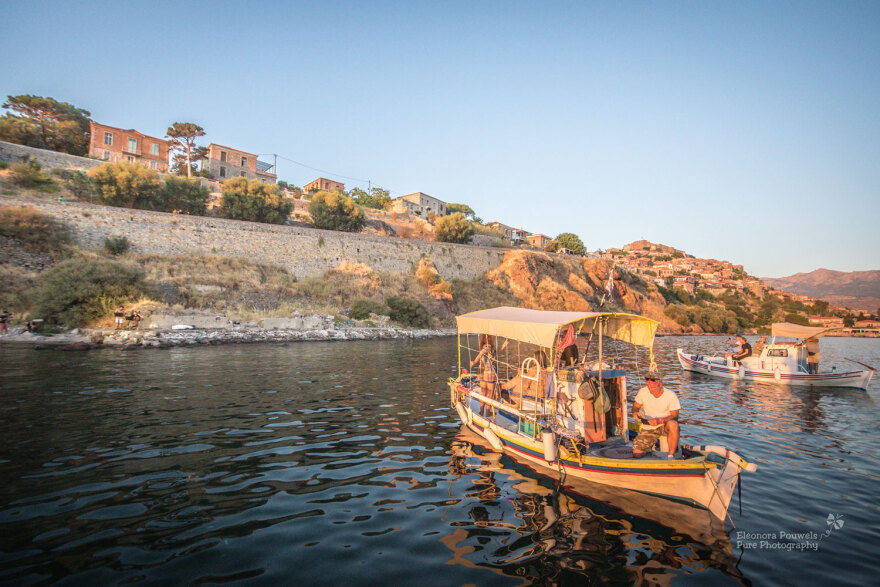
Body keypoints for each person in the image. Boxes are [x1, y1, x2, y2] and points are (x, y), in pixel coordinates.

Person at [631, 371, 680, 459]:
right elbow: (635, 406)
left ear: (660, 384)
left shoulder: (670, 395)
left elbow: (675, 415)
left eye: (653, 386)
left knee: (673, 424)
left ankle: (670, 455)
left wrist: (659, 420)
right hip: (649, 427)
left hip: (665, 425)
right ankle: (648, 448)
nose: (650, 389)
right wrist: (635, 412)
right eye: (648, 386)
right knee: (636, 454)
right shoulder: (642, 392)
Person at [470, 335, 500, 407]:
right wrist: (474, 361)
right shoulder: (488, 348)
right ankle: (488, 411)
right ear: (490, 339)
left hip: (482, 372)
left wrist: (504, 344)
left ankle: (482, 410)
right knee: (490, 394)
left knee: (483, 393)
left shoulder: (487, 348)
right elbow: (481, 354)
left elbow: (495, 352)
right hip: (489, 373)